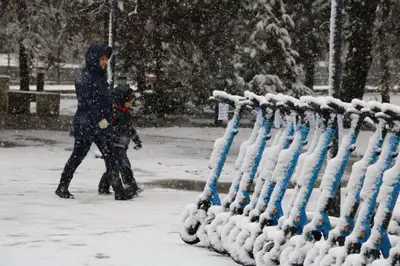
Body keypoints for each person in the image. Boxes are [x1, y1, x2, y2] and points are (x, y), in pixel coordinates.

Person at [55, 44, 132, 201]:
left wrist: (108, 118)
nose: (105, 62)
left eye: (106, 59)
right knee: (78, 156)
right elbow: (86, 102)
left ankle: (119, 191)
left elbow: (104, 99)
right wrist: (100, 119)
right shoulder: (84, 77)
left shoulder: (101, 76)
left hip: (101, 126)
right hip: (87, 125)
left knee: (110, 155)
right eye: (102, 59)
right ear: (93, 59)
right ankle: (62, 187)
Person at [98, 86, 143, 198]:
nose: (131, 103)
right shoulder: (112, 113)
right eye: (129, 101)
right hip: (114, 145)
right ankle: (131, 187)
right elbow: (102, 126)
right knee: (124, 165)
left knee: (114, 167)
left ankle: (103, 187)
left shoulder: (126, 113)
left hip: (122, 145)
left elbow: (129, 129)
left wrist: (136, 139)